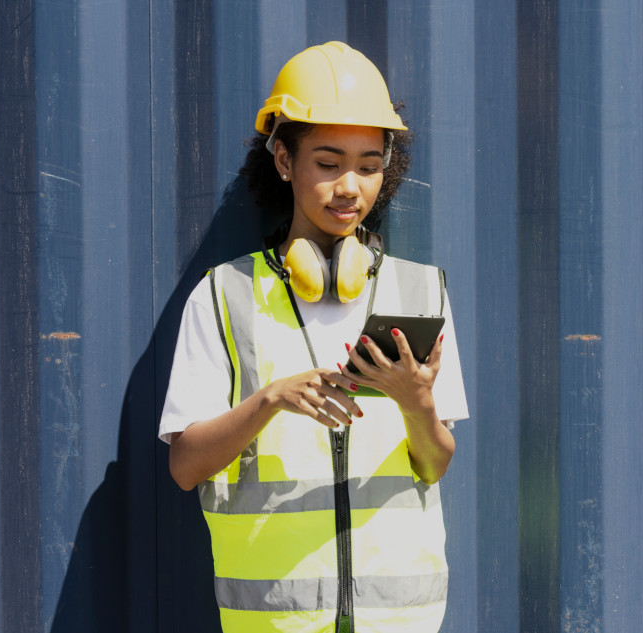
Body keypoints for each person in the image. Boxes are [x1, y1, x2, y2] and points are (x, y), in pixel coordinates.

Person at [159, 41, 468, 632]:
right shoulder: (224, 295)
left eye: (369, 164)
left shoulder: (421, 294)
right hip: (273, 620)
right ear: (283, 158)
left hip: (402, 620)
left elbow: (434, 464)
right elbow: (184, 467)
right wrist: (269, 400)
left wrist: (417, 402)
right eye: (328, 163)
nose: (350, 186)